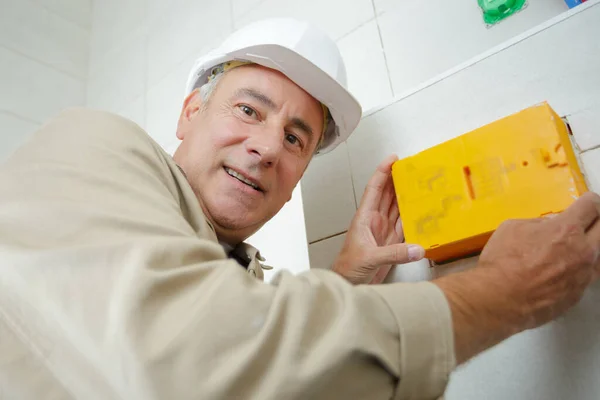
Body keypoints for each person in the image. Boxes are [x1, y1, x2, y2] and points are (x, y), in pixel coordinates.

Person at [0, 17, 598, 400]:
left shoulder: (238, 275)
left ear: (298, 178)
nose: (265, 149)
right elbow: (202, 361)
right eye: (249, 110)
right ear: (189, 113)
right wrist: (509, 289)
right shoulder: (93, 144)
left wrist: (347, 280)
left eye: (295, 139)